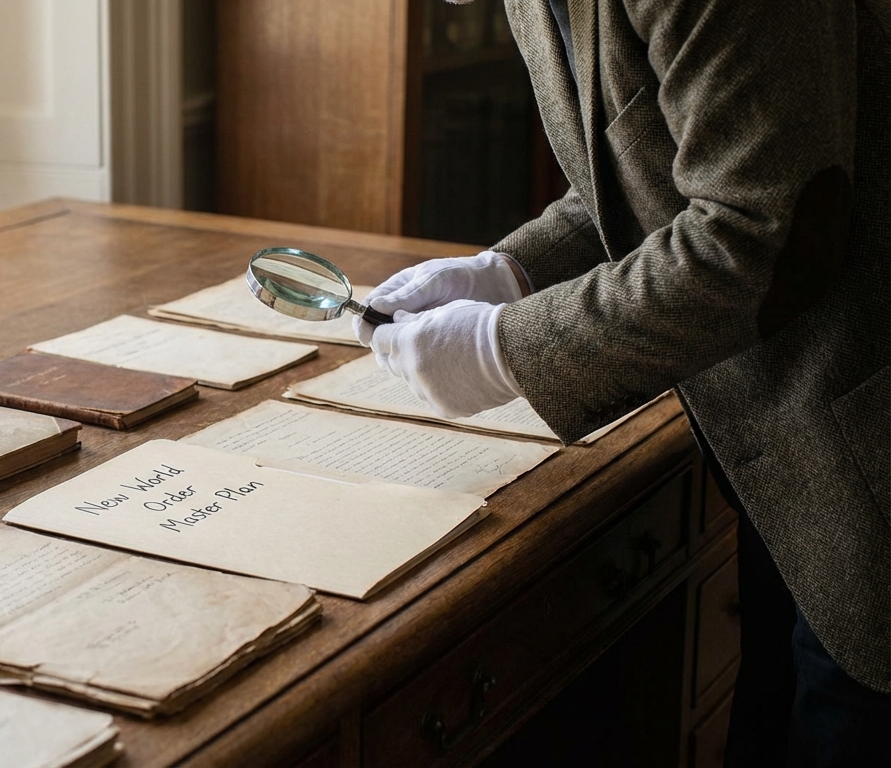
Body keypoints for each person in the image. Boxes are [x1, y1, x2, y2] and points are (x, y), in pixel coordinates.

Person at [353, 1, 890, 765]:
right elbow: (650, 165)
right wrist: (512, 273)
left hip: (868, 458)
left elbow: (762, 234)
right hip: (787, 478)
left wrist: (505, 350)